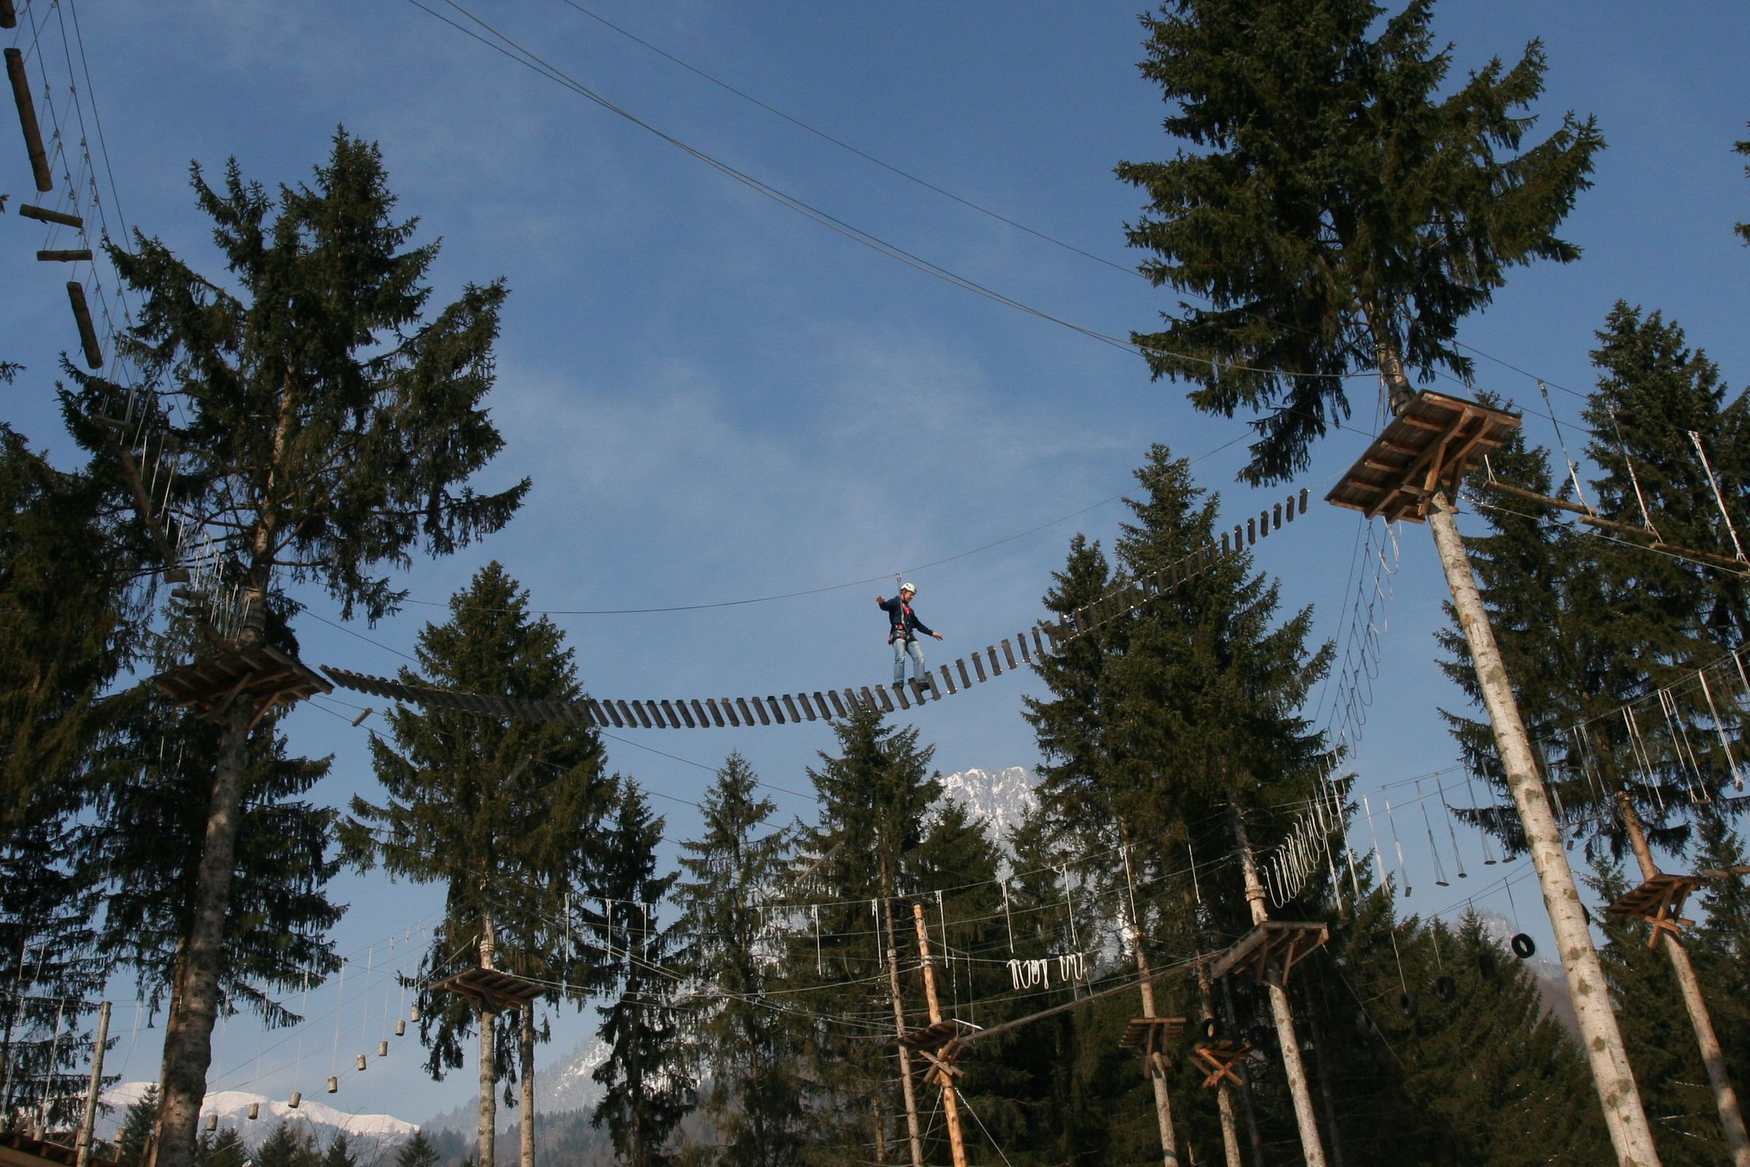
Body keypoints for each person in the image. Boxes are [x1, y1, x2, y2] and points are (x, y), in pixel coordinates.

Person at [875, 582, 943, 690]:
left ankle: (920, 681)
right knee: (900, 658)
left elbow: (918, 625)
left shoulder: (910, 610)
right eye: (910, 594)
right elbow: (886, 606)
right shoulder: (896, 602)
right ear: (903, 591)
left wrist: (931, 633)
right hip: (898, 634)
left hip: (909, 635)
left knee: (919, 657)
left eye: (913, 595)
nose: (912, 597)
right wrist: (881, 602)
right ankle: (898, 683)